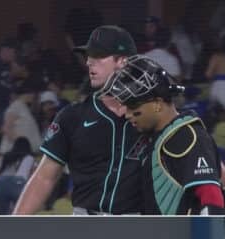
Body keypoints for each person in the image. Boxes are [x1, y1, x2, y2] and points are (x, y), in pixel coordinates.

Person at [13, 25, 144, 215]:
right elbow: (44, 177)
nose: (89, 62)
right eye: (89, 56)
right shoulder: (72, 117)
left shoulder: (151, 114)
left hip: (139, 225)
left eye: (98, 56)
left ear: (122, 61)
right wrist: (13, 224)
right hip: (85, 224)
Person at [100, 55, 225, 214]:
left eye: (132, 105)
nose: (127, 114)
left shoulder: (187, 136)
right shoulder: (153, 138)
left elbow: (210, 197)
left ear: (158, 104)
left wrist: (206, 237)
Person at [0, 137, 35, 214]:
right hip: (20, 184)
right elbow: (33, 176)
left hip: (2, 183)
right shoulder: (30, 158)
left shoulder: (4, 156)